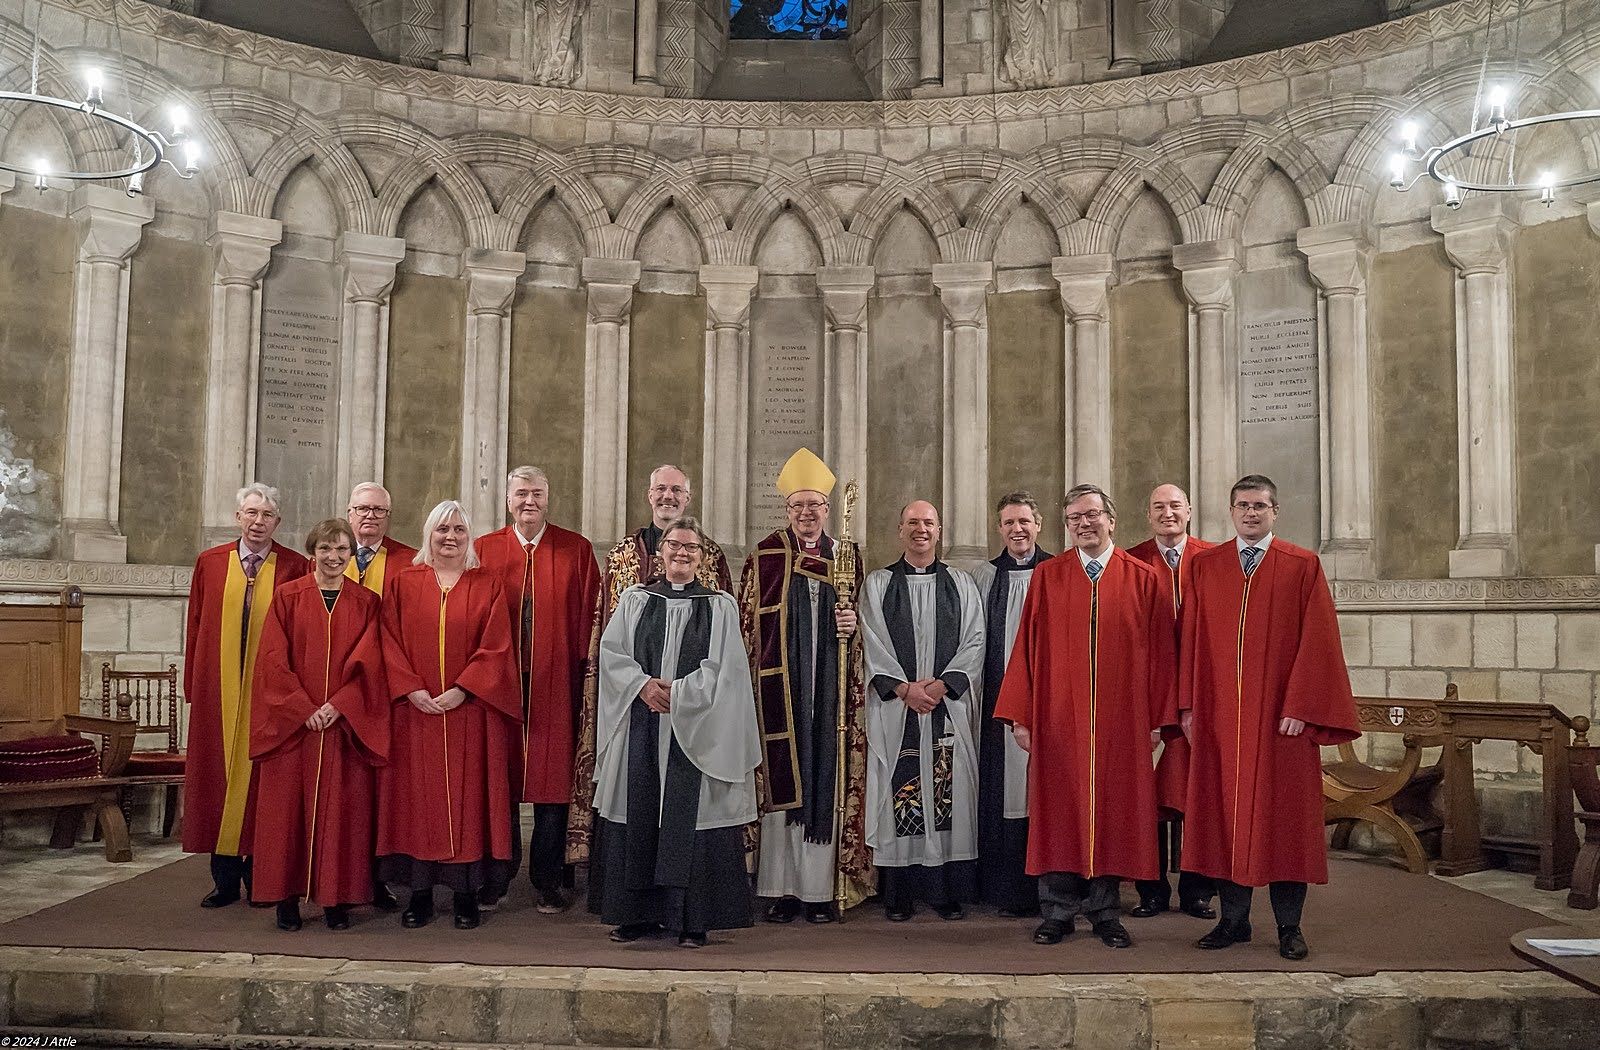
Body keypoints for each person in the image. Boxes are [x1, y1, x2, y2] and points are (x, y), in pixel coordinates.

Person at [1180, 474, 1360, 961]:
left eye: (1260, 505)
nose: (1251, 513)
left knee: (1285, 826)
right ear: (1231, 512)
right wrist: (1188, 706)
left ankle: (1289, 928)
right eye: (1242, 506)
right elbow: (1191, 640)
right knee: (1224, 823)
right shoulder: (1206, 566)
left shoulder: (1301, 565)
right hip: (1220, 722)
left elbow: (1320, 642)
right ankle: (1233, 922)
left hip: (1281, 725)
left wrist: (1301, 706)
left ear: (1275, 512)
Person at [994, 484, 1177, 949]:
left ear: (1111, 521)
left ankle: (1104, 912)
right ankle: (1056, 911)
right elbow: (1027, 649)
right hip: (1059, 720)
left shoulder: (1143, 577)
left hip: (1123, 721)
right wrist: (1021, 715)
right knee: (1058, 814)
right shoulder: (1048, 577)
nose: (1084, 524)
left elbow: (1162, 654)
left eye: (1092, 515)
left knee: (1113, 814)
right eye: (1074, 517)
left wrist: (1159, 717)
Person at [589, 516, 761, 948]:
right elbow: (612, 654)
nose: (681, 554)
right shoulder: (635, 599)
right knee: (638, 808)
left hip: (696, 729)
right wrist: (642, 686)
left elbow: (727, 671)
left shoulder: (719, 605)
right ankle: (636, 914)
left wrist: (680, 694)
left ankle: (692, 919)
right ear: (660, 552)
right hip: (642, 725)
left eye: (691, 548)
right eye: (674, 546)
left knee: (692, 818)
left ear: (703, 557)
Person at [569, 464, 731, 866]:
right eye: (661, 488)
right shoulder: (623, 554)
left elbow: (728, 635)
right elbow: (603, 629)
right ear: (649, 494)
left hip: (692, 706)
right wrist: (637, 685)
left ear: (688, 497)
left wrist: (688, 691)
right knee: (634, 794)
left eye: (677, 490)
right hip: (634, 703)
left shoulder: (709, 554)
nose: (668, 496)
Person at [741, 447, 873, 924]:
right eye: (798, 505)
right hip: (782, 690)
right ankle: (782, 890)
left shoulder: (847, 557)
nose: (806, 513)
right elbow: (748, 627)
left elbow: (866, 623)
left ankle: (820, 891)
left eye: (815, 505)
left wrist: (849, 624)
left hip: (830, 690)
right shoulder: (767, 555)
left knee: (825, 773)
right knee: (785, 776)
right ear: (787, 510)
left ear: (828, 509)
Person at [379, 500, 520, 930]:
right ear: (429, 535)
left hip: (468, 715)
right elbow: (387, 642)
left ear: (469, 536)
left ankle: (465, 896)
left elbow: (497, 646)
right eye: (442, 530)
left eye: (459, 529)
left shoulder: (487, 584)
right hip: (415, 713)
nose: (451, 537)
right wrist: (411, 689)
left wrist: (463, 689)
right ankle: (419, 896)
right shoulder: (404, 583)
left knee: (467, 802)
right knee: (418, 803)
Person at [250, 519, 388, 932]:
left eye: (342, 550)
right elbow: (272, 662)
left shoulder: (367, 602)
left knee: (343, 816)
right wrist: (302, 708)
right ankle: (285, 900)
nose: (334, 558)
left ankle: (336, 900)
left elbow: (372, 663)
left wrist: (340, 705)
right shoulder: (287, 597)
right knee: (286, 817)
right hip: (294, 731)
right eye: (326, 549)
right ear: (313, 552)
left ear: (352, 554)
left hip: (343, 729)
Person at [474, 466, 600, 913]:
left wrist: (587, 680)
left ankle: (548, 879)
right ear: (508, 499)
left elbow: (590, 617)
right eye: (522, 493)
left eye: (538, 494)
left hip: (556, 683)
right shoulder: (484, 549)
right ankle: (497, 877)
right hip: (499, 687)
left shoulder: (576, 549)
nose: (530, 501)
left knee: (552, 785)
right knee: (499, 782)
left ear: (549, 498)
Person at [182, 482, 310, 908]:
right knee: (217, 779)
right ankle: (223, 879)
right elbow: (196, 625)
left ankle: (263, 875)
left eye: (267, 515)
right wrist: (193, 687)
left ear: (279, 521)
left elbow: (299, 633)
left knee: (264, 781)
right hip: (218, 687)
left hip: (268, 692)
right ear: (238, 516)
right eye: (252, 513)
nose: (259, 522)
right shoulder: (211, 562)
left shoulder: (294, 565)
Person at [859, 500, 984, 921]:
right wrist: (901, 688)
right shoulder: (878, 584)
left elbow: (975, 641)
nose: (920, 529)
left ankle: (943, 890)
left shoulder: (961, 584)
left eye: (928, 522)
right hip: (897, 708)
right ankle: (899, 892)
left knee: (949, 791)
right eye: (912, 522)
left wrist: (942, 685)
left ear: (939, 530)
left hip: (945, 706)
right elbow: (871, 640)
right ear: (900, 530)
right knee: (899, 790)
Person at [1124, 483, 1217, 920]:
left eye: (1175, 506)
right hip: (1145, 696)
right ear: (1148, 514)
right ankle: (1151, 888)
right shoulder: (1131, 561)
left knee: (1197, 797)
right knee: (1146, 799)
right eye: (1158, 506)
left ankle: (1198, 890)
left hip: (1201, 696)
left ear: (1190, 511)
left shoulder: (1213, 559)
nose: (1168, 513)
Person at [969, 492, 1051, 917]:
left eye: (1024, 521)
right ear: (999, 529)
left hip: (1051, 703)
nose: (1017, 530)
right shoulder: (985, 577)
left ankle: (1052, 888)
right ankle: (1007, 890)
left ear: (1039, 524)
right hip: (999, 702)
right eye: (1008, 523)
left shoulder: (1058, 571)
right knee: (1004, 792)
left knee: (1046, 792)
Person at [345, 482, 418, 598]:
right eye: (363, 508)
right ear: (350, 515)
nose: (370, 515)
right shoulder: (329, 559)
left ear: (388, 516)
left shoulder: (411, 561)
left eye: (379, 510)